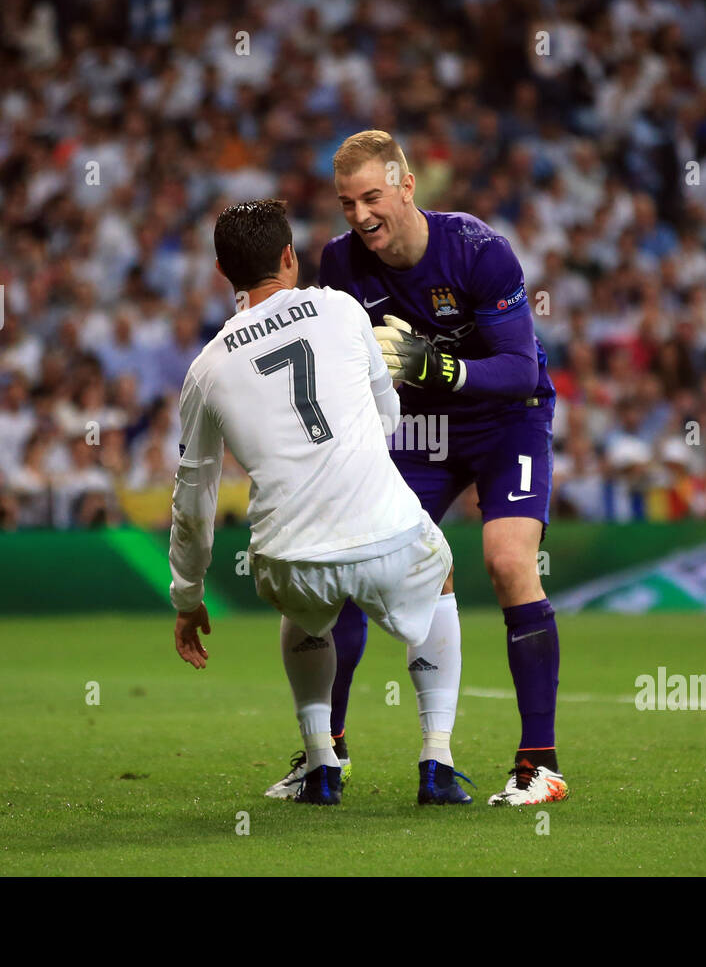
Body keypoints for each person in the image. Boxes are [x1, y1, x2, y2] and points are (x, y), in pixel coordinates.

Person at [265, 130, 568, 807]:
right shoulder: (340, 262)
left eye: (372, 196)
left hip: (507, 420)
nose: (361, 214)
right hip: (417, 431)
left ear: (405, 184)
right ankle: (326, 754)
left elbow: (520, 366)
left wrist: (440, 365)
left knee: (508, 560)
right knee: (345, 565)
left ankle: (538, 764)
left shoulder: (480, 251)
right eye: (347, 202)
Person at [169, 200, 470, 805]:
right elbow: (389, 415)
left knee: (304, 610)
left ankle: (321, 762)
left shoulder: (207, 368)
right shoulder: (341, 308)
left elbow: (193, 499)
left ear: (224, 271)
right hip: (386, 536)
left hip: (290, 559)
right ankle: (436, 760)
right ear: (289, 257)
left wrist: (188, 598)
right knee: (439, 578)